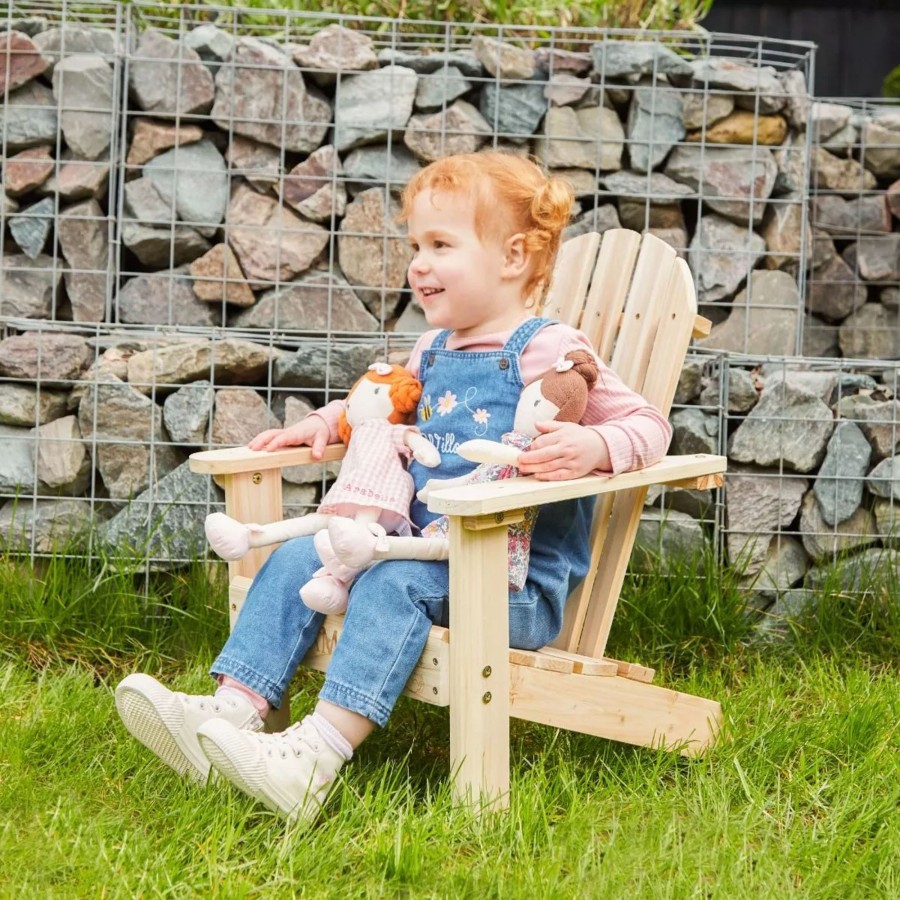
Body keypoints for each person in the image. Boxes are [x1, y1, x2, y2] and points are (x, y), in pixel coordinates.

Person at [115, 151, 673, 827]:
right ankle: (232, 714)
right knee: (299, 556)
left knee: (388, 583)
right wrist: (321, 424)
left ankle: (313, 761)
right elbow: (380, 407)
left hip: (507, 587)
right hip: (416, 549)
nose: (419, 263)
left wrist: (595, 445)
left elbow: (648, 425)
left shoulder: (550, 348)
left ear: (514, 256)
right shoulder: (433, 347)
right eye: (416, 245)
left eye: (441, 245)